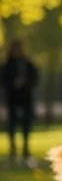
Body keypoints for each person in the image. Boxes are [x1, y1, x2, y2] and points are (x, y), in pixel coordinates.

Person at [1, 39, 39, 167]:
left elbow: (34, 78)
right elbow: (3, 80)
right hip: (12, 99)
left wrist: (25, 83)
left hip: (25, 98)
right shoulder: (8, 65)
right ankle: (12, 149)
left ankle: (25, 149)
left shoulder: (27, 64)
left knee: (26, 125)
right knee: (11, 125)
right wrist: (13, 84)